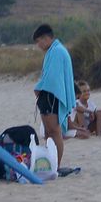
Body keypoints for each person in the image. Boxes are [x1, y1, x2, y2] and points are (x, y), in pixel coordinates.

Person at [31, 24, 75, 166]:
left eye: (39, 41)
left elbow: (53, 78)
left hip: (52, 96)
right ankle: (51, 163)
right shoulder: (53, 50)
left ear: (45, 38)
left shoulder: (57, 51)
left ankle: (57, 164)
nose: (38, 45)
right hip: (47, 95)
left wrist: (39, 87)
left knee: (55, 132)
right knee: (48, 133)